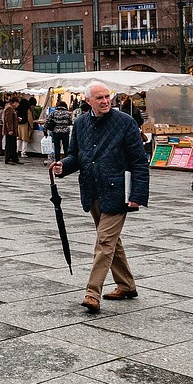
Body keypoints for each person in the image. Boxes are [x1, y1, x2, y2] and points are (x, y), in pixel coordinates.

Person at [52, 80, 150, 313]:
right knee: (111, 242)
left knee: (104, 242)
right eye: (99, 98)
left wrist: (138, 194)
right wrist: (62, 167)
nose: (105, 101)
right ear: (88, 101)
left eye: (107, 96)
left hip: (117, 191)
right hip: (92, 190)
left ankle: (92, 293)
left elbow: (139, 162)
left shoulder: (125, 123)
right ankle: (127, 285)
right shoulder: (81, 123)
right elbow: (76, 155)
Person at [46, 95, 73, 162]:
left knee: (57, 147)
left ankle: (57, 160)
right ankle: (66, 161)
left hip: (56, 131)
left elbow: (47, 121)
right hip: (65, 132)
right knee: (66, 147)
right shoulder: (68, 113)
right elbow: (70, 122)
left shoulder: (53, 113)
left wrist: (45, 130)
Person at [2, 98, 21, 164]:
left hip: (12, 130)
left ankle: (14, 158)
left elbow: (11, 118)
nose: (18, 105)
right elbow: (8, 120)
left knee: (13, 144)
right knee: (10, 145)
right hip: (10, 130)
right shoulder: (9, 108)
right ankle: (8, 159)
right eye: (17, 103)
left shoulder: (11, 108)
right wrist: (10, 129)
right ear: (14, 102)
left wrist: (17, 119)